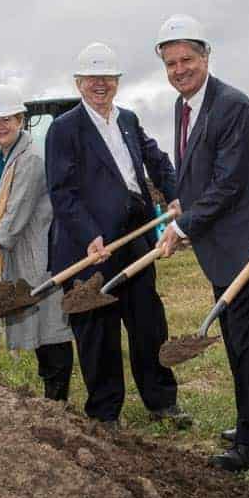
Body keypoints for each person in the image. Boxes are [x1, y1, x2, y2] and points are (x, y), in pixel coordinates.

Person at [154, 14, 249, 472]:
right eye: (171, 63)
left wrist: (185, 225)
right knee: (240, 339)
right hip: (222, 246)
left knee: (247, 344)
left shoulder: (231, 105)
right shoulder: (184, 106)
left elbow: (229, 181)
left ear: (206, 56)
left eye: (186, 59)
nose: (179, 70)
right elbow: (198, 171)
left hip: (248, 244)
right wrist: (181, 204)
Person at [45, 42, 188, 431]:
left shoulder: (128, 119)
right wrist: (90, 234)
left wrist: (175, 192)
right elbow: (62, 192)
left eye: (107, 78)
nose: (100, 85)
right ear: (78, 83)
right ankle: (105, 412)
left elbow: (155, 160)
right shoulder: (64, 129)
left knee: (148, 323)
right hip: (89, 247)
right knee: (97, 331)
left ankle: (162, 401)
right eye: (92, 78)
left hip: (133, 237)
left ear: (117, 82)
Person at [0, 84, 74, 401]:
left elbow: (14, 215)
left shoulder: (30, 159)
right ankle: (52, 396)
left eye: (6, 119)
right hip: (18, 254)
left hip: (39, 254)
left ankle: (58, 398)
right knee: (39, 327)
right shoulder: (3, 157)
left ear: (20, 119)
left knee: (50, 324)